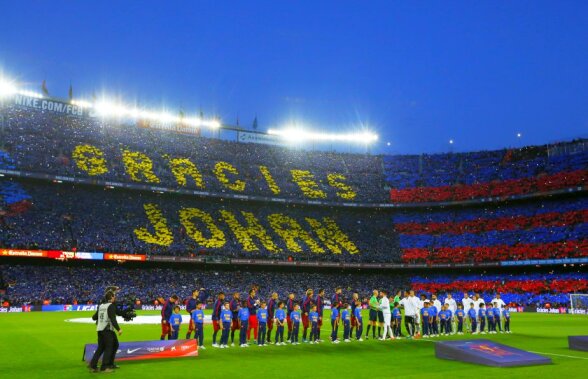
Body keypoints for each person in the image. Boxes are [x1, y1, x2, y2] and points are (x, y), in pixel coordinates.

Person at [89, 291, 122, 373]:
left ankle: (93, 366)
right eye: (114, 296)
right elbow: (112, 319)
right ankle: (105, 366)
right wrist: (118, 329)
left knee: (101, 348)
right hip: (107, 330)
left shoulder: (101, 306)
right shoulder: (110, 306)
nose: (115, 298)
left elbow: (94, 317)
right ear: (111, 297)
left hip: (99, 329)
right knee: (109, 347)